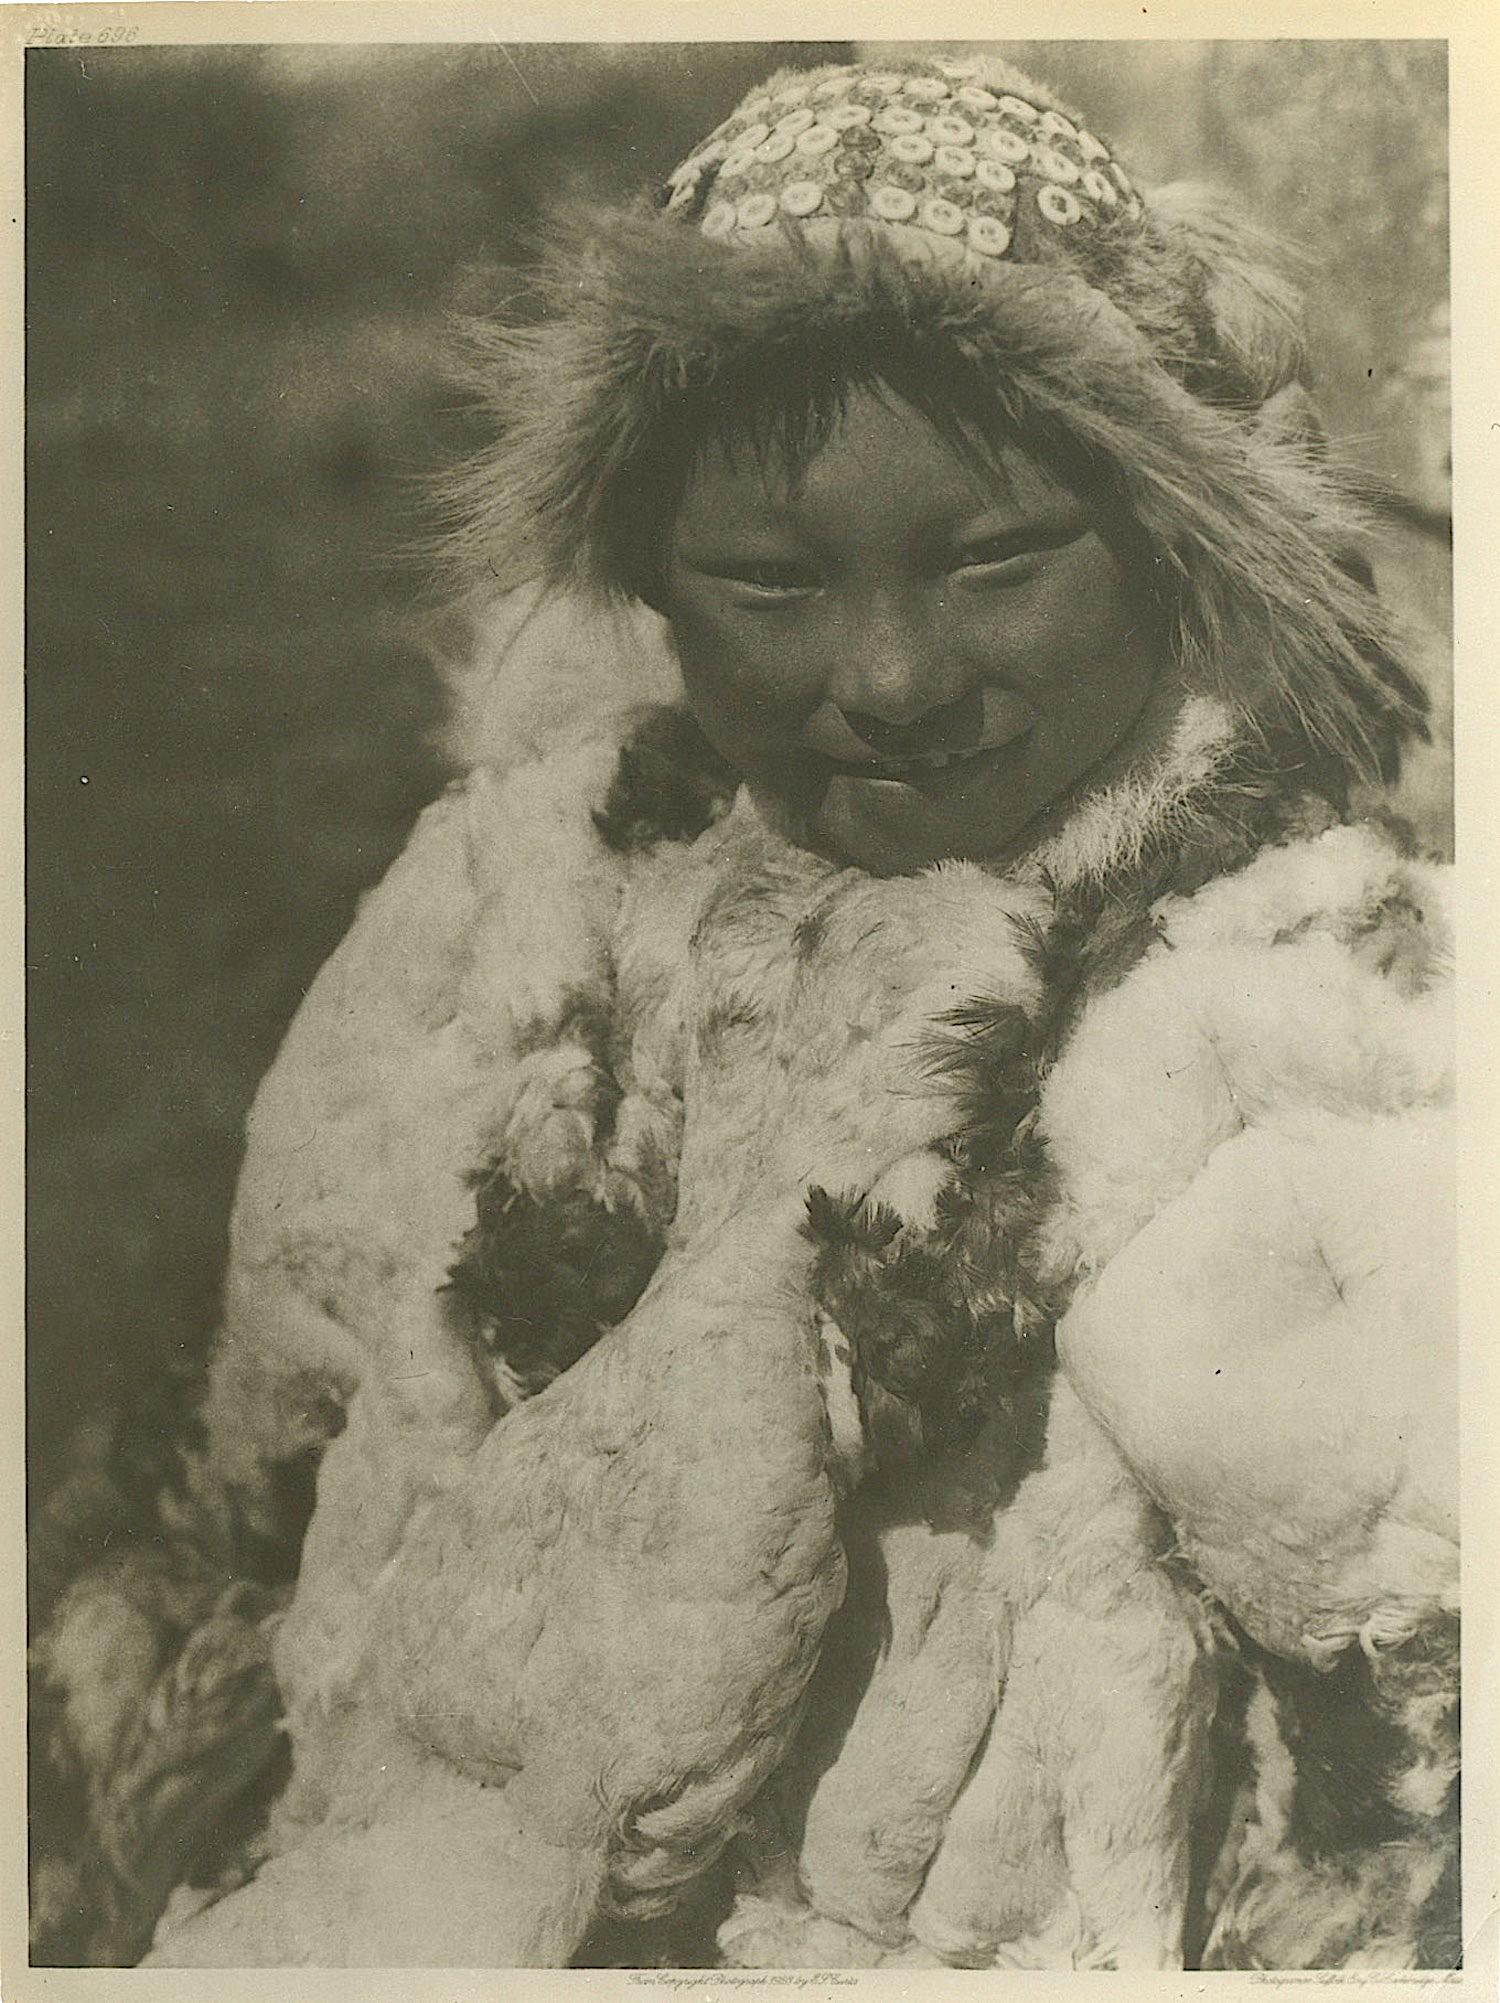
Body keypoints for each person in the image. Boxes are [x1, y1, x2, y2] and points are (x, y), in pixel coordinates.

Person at [30, 52, 1456, 1971]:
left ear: (1173, 538)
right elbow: (282, 1449)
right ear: (654, 589)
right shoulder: (525, 908)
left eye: (998, 560)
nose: (888, 674)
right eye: (771, 582)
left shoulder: (1304, 992)